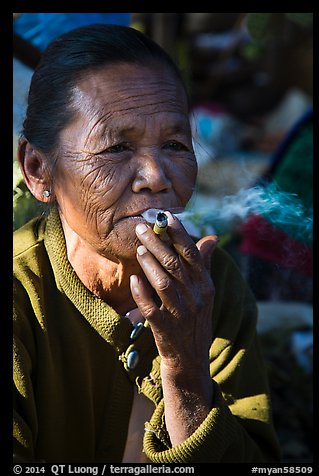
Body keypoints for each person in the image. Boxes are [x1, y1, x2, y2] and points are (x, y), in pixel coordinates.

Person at [13, 24, 280, 463]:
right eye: (116, 147)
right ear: (40, 170)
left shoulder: (211, 285)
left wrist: (186, 369)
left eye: (175, 144)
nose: (157, 177)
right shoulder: (23, 298)